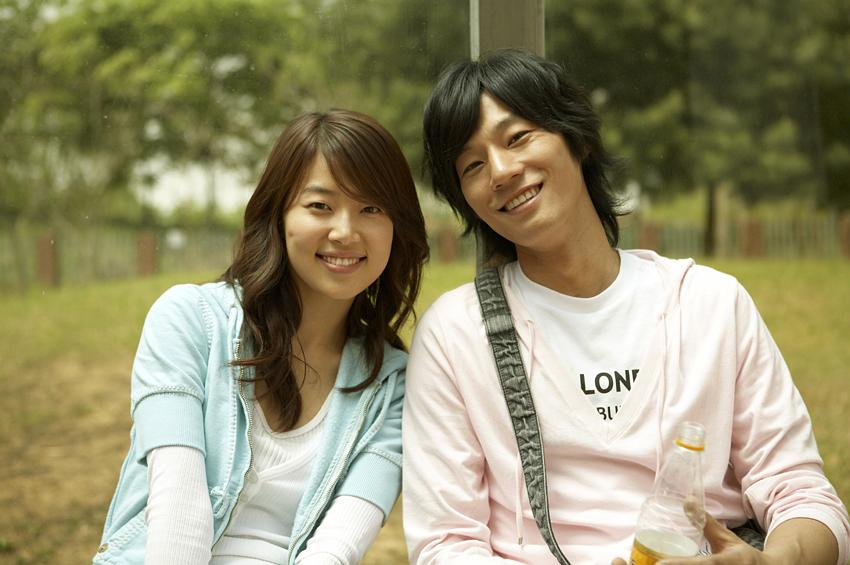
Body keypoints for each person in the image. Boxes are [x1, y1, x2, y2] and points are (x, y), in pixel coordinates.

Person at [402, 48, 849, 565]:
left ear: (578, 139)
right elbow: (445, 545)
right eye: (473, 165)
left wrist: (774, 561)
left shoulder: (708, 303)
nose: (500, 171)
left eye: (518, 137)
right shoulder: (456, 334)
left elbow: (802, 493)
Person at [94, 109, 428, 564]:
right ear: (279, 214)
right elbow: (178, 516)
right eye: (320, 206)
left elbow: (337, 549)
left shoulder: (393, 385)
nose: (345, 231)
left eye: (371, 208)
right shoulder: (188, 321)